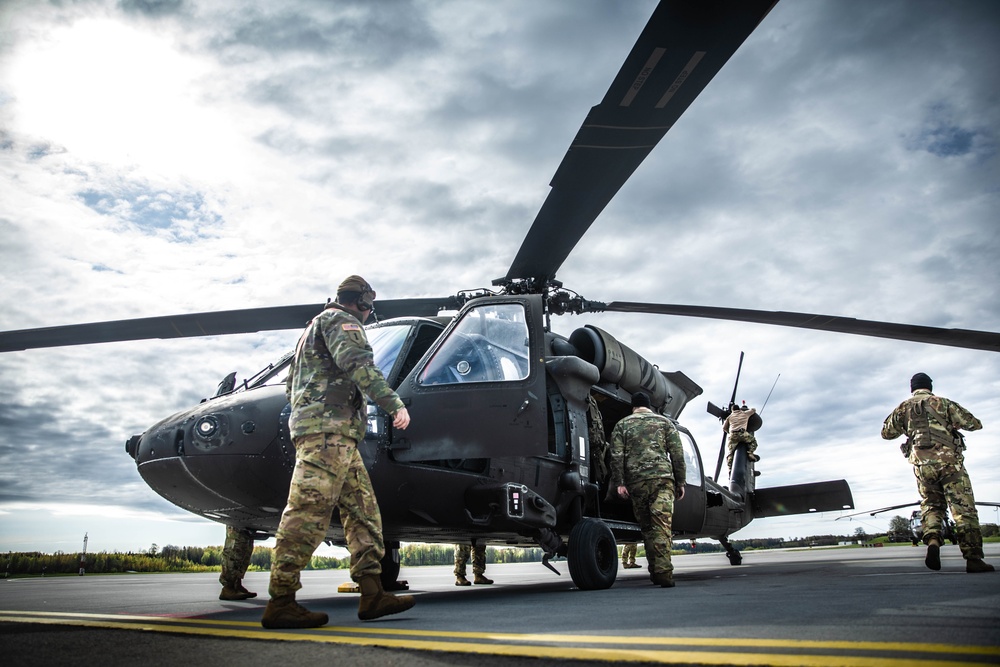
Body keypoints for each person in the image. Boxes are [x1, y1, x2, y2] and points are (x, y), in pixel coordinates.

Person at [262, 275, 416, 629]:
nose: (368, 313)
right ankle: (281, 600)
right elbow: (359, 365)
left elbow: (291, 387)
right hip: (327, 435)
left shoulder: (311, 331)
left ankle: (373, 593)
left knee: (363, 512)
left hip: (337, 434)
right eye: (368, 306)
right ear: (361, 303)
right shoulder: (341, 322)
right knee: (308, 511)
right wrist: (393, 404)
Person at [881, 373, 994, 574]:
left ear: (912, 389)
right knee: (963, 511)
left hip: (922, 467)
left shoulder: (902, 408)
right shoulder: (943, 403)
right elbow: (974, 424)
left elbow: (886, 434)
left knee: (931, 506)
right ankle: (974, 559)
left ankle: (933, 541)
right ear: (929, 387)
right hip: (950, 465)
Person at [610, 391, 686, 588]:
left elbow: (616, 456)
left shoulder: (623, 425)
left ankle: (655, 570)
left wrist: (619, 483)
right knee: (661, 526)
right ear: (649, 405)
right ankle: (663, 573)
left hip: (636, 483)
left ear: (633, 407)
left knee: (647, 528)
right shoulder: (664, 423)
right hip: (662, 480)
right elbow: (677, 454)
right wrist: (681, 482)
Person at [219, 525, 257, 601]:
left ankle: (236, 585)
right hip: (237, 523)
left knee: (246, 548)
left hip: (245, 521)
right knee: (235, 549)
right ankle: (228, 588)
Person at [723, 402, 760, 471]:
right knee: (753, 442)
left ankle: (730, 469)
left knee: (730, 453)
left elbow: (724, 428)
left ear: (732, 410)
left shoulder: (730, 417)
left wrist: (729, 432)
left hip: (733, 436)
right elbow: (753, 410)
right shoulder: (745, 414)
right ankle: (750, 453)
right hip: (743, 434)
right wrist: (745, 409)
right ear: (739, 409)